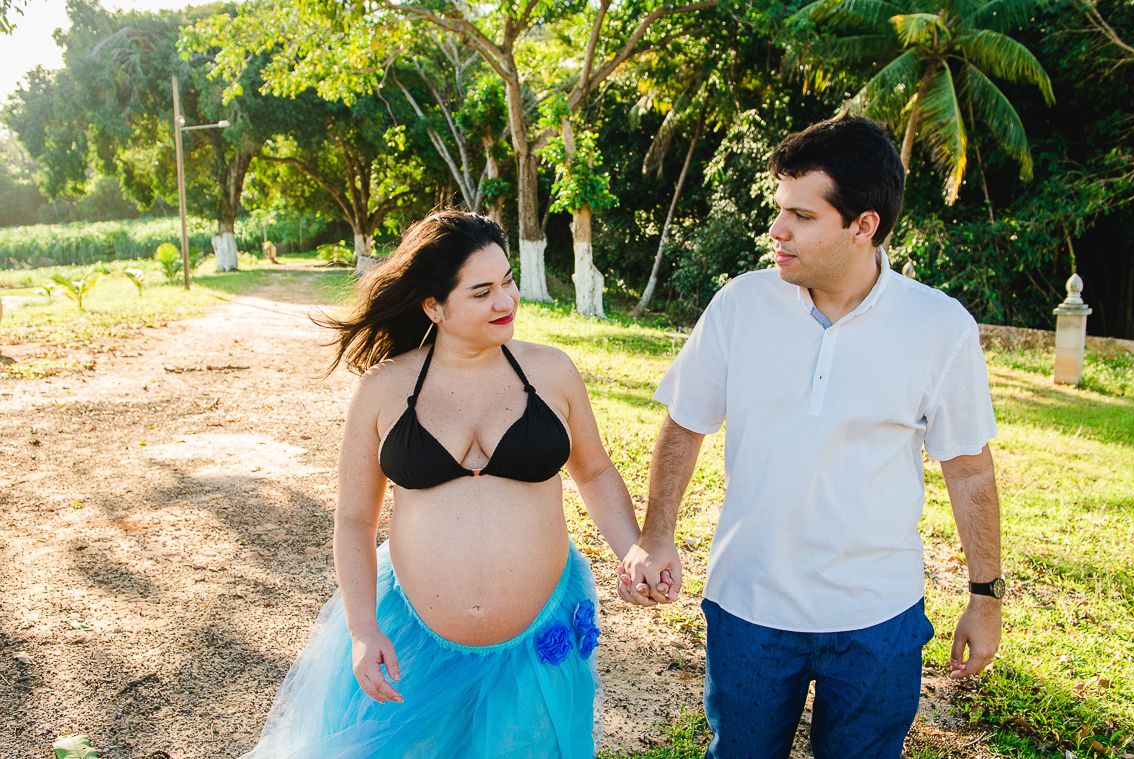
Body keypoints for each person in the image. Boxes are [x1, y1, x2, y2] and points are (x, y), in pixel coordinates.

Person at [619, 116, 1003, 759]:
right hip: (748, 608)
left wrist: (985, 597)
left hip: (878, 619)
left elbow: (969, 470)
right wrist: (656, 536)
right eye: (779, 211)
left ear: (863, 225)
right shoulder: (741, 304)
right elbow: (685, 426)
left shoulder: (940, 328)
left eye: (801, 215)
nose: (777, 231)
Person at [243, 210, 642, 759]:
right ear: (434, 305)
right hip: (410, 640)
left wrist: (633, 551)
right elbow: (354, 519)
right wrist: (363, 630)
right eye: (481, 292)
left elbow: (593, 472)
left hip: (537, 640)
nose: (505, 302)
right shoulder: (384, 390)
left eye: (507, 281)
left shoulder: (552, 373)